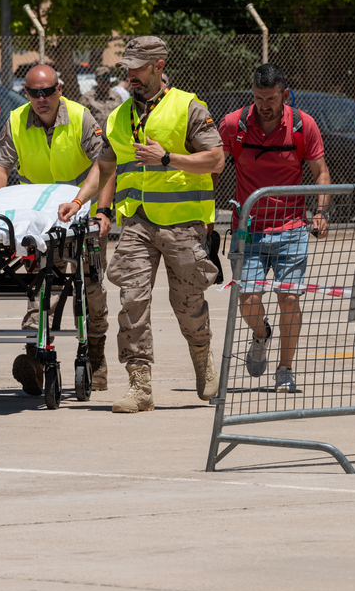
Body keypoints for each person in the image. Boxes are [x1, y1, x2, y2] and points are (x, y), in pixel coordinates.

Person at [57, 36, 224, 414]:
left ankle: (203, 360)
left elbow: (215, 160)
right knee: (132, 301)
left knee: (188, 303)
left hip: (183, 224)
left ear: (159, 66)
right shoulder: (118, 116)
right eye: (127, 68)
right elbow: (104, 167)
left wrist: (168, 159)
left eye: (137, 67)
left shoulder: (189, 107)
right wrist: (79, 201)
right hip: (136, 223)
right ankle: (140, 386)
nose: (130, 75)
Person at [0, 64, 113, 393]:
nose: (41, 99)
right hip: (41, 219)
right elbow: (1, 167)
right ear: (25, 93)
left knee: (90, 288)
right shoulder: (16, 121)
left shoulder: (80, 117)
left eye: (47, 91)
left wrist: (101, 210)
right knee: (45, 283)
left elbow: (105, 164)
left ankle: (95, 357)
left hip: (79, 210)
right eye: (34, 93)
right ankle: (35, 356)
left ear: (60, 88)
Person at [220, 63, 330, 393]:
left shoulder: (302, 125)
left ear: (284, 94)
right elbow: (213, 168)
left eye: (270, 98)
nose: (264, 105)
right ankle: (261, 334)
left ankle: (285, 368)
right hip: (247, 231)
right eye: (258, 98)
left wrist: (321, 212)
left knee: (289, 299)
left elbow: (320, 173)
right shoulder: (234, 124)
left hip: (292, 229)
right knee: (248, 299)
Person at [77, 65, 125, 130]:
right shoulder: (87, 98)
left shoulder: (117, 97)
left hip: (113, 135)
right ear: (96, 79)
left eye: (108, 76)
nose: (105, 80)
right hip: (95, 136)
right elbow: (80, 120)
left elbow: (122, 119)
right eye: (102, 77)